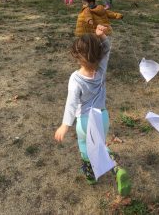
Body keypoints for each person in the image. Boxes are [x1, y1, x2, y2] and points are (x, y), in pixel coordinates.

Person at [55, 25, 131, 196]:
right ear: (99, 55)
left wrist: (65, 125)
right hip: (102, 117)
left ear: (76, 56)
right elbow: (107, 48)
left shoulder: (75, 79)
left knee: (85, 147)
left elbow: (71, 103)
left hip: (84, 121)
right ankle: (116, 169)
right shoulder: (101, 70)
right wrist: (102, 37)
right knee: (100, 145)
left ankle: (90, 176)